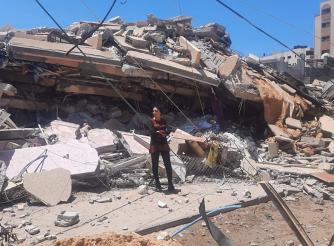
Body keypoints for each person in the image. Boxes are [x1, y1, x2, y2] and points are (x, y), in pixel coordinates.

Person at [149, 106, 175, 192]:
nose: (154, 112)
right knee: (155, 165)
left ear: (160, 112)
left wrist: (163, 132)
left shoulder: (164, 121)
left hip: (163, 144)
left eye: (156, 111)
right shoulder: (151, 121)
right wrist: (160, 132)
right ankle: (157, 184)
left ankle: (170, 184)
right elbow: (151, 132)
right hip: (155, 144)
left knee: (168, 164)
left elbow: (167, 130)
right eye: (153, 111)